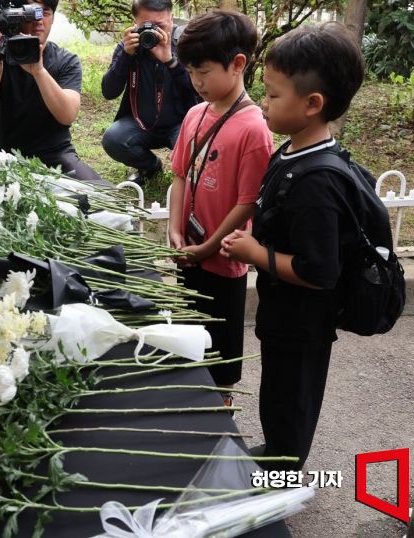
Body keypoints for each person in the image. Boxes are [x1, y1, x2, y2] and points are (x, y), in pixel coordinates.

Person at [220, 23, 365, 470]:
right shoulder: (292, 153)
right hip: (284, 313)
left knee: (291, 397)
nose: (263, 103)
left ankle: (283, 475)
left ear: (312, 104)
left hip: (303, 323)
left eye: (273, 94)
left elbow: (320, 270)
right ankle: (278, 452)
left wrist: (254, 254)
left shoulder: (317, 181)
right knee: (278, 393)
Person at [167, 10, 273, 402]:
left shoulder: (254, 129)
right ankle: (193, 396)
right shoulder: (195, 114)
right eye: (191, 72)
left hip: (223, 259)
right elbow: (180, 175)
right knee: (190, 335)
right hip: (189, 251)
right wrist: (175, 230)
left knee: (221, 347)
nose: (196, 82)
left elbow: (247, 204)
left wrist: (209, 246)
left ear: (238, 64)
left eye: (204, 72)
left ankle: (220, 406)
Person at [0, 0, 104, 184]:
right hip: (4, 157)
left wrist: (39, 71)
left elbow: (68, 115)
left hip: (57, 155)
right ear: (14, 15)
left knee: (99, 202)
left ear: (53, 17)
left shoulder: (65, 61)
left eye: (45, 12)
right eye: (31, 12)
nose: (38, 20)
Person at [101, 0, 198, 185]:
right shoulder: (129, 47)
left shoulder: (186, 45)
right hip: (141, 124)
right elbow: (109, 92)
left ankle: (185, 175)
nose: (153, 32)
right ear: (135, 22)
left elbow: (199, 88)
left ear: (171, 18)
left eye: (160, 25)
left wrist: (170, 61)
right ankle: (150, 166)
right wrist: (125, 56)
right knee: (114, 139)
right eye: (147, 26)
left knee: (197, 147)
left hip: (181, 123)